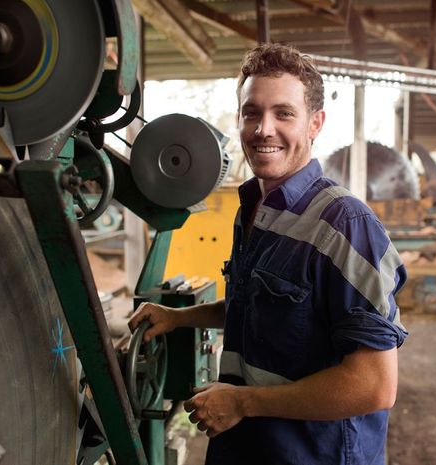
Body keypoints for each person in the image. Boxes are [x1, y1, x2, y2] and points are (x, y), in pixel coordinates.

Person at [128, 43, 408, 465]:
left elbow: (374, 386)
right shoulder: (254, 211)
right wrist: (179, 318)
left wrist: (243, 403)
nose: (263, 129)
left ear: (316, 123)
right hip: (248, 448)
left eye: (284, 113)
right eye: (252, 113)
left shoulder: (346, 226)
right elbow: (259, 305)